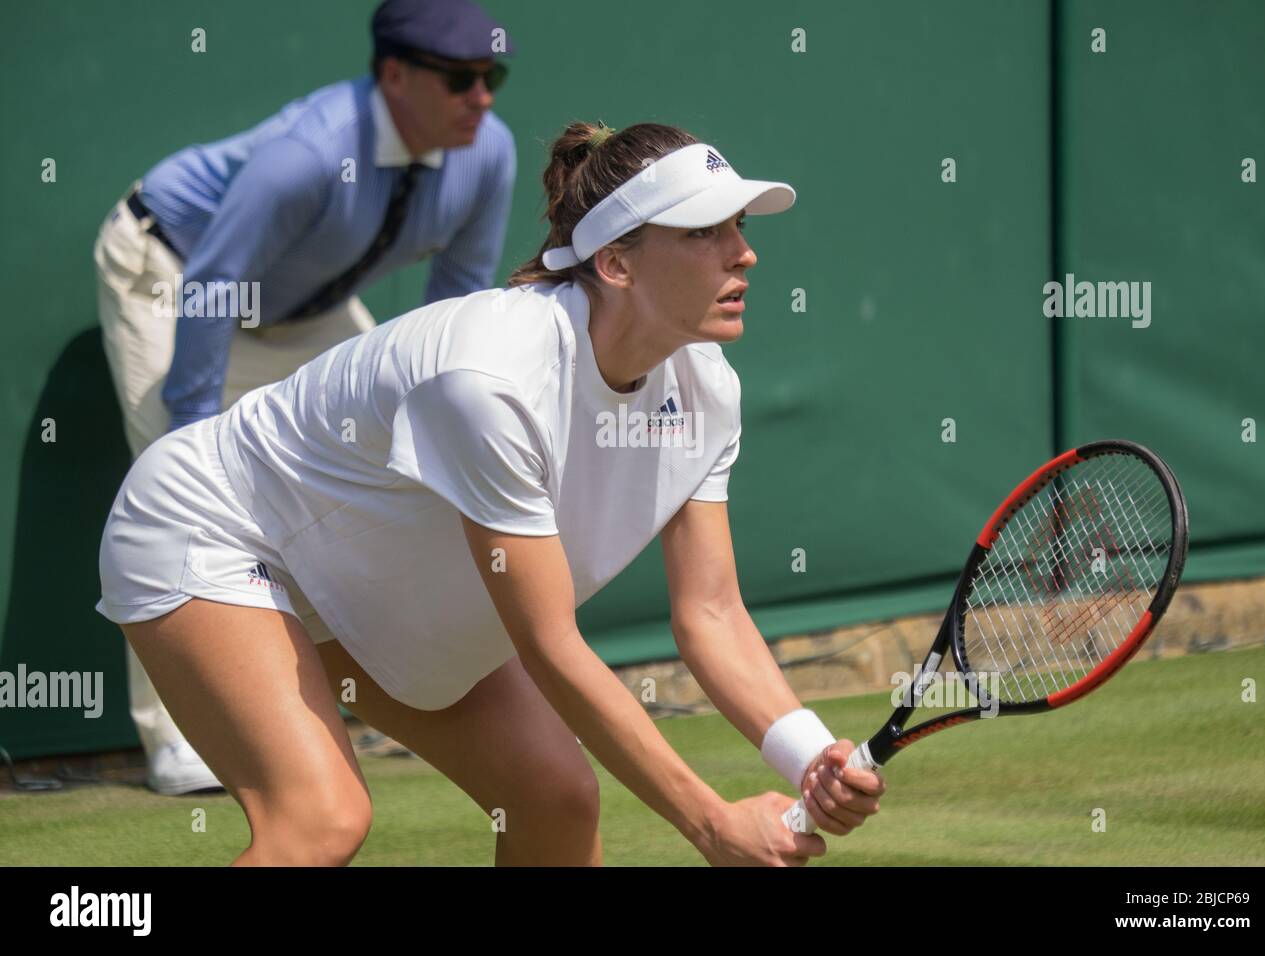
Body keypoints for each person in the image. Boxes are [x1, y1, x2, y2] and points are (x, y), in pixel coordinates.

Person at [95, 120, 886, 865]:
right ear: (616, 263)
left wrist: (810, 754)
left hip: (359, 578)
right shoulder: (491, 380)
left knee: (554, 798)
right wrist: (710, 822)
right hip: (214, 525)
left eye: (742, 228)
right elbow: (549, 645)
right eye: (705, 233)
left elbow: (711, 614)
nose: (742, 255)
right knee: (319, 818)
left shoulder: (706, 390)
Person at [91, 0, 516, 794]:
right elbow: (216, 281)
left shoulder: (487, 154)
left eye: (492, 77)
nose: (482, 98)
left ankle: (372, 693)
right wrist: (193, 436)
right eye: (460, 79)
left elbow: (451, 306)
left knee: (391, 466)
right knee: (176, 498)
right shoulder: (309, 155)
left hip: (306, 312)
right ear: (394, 74)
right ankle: (180, 741)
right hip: (176, 275)